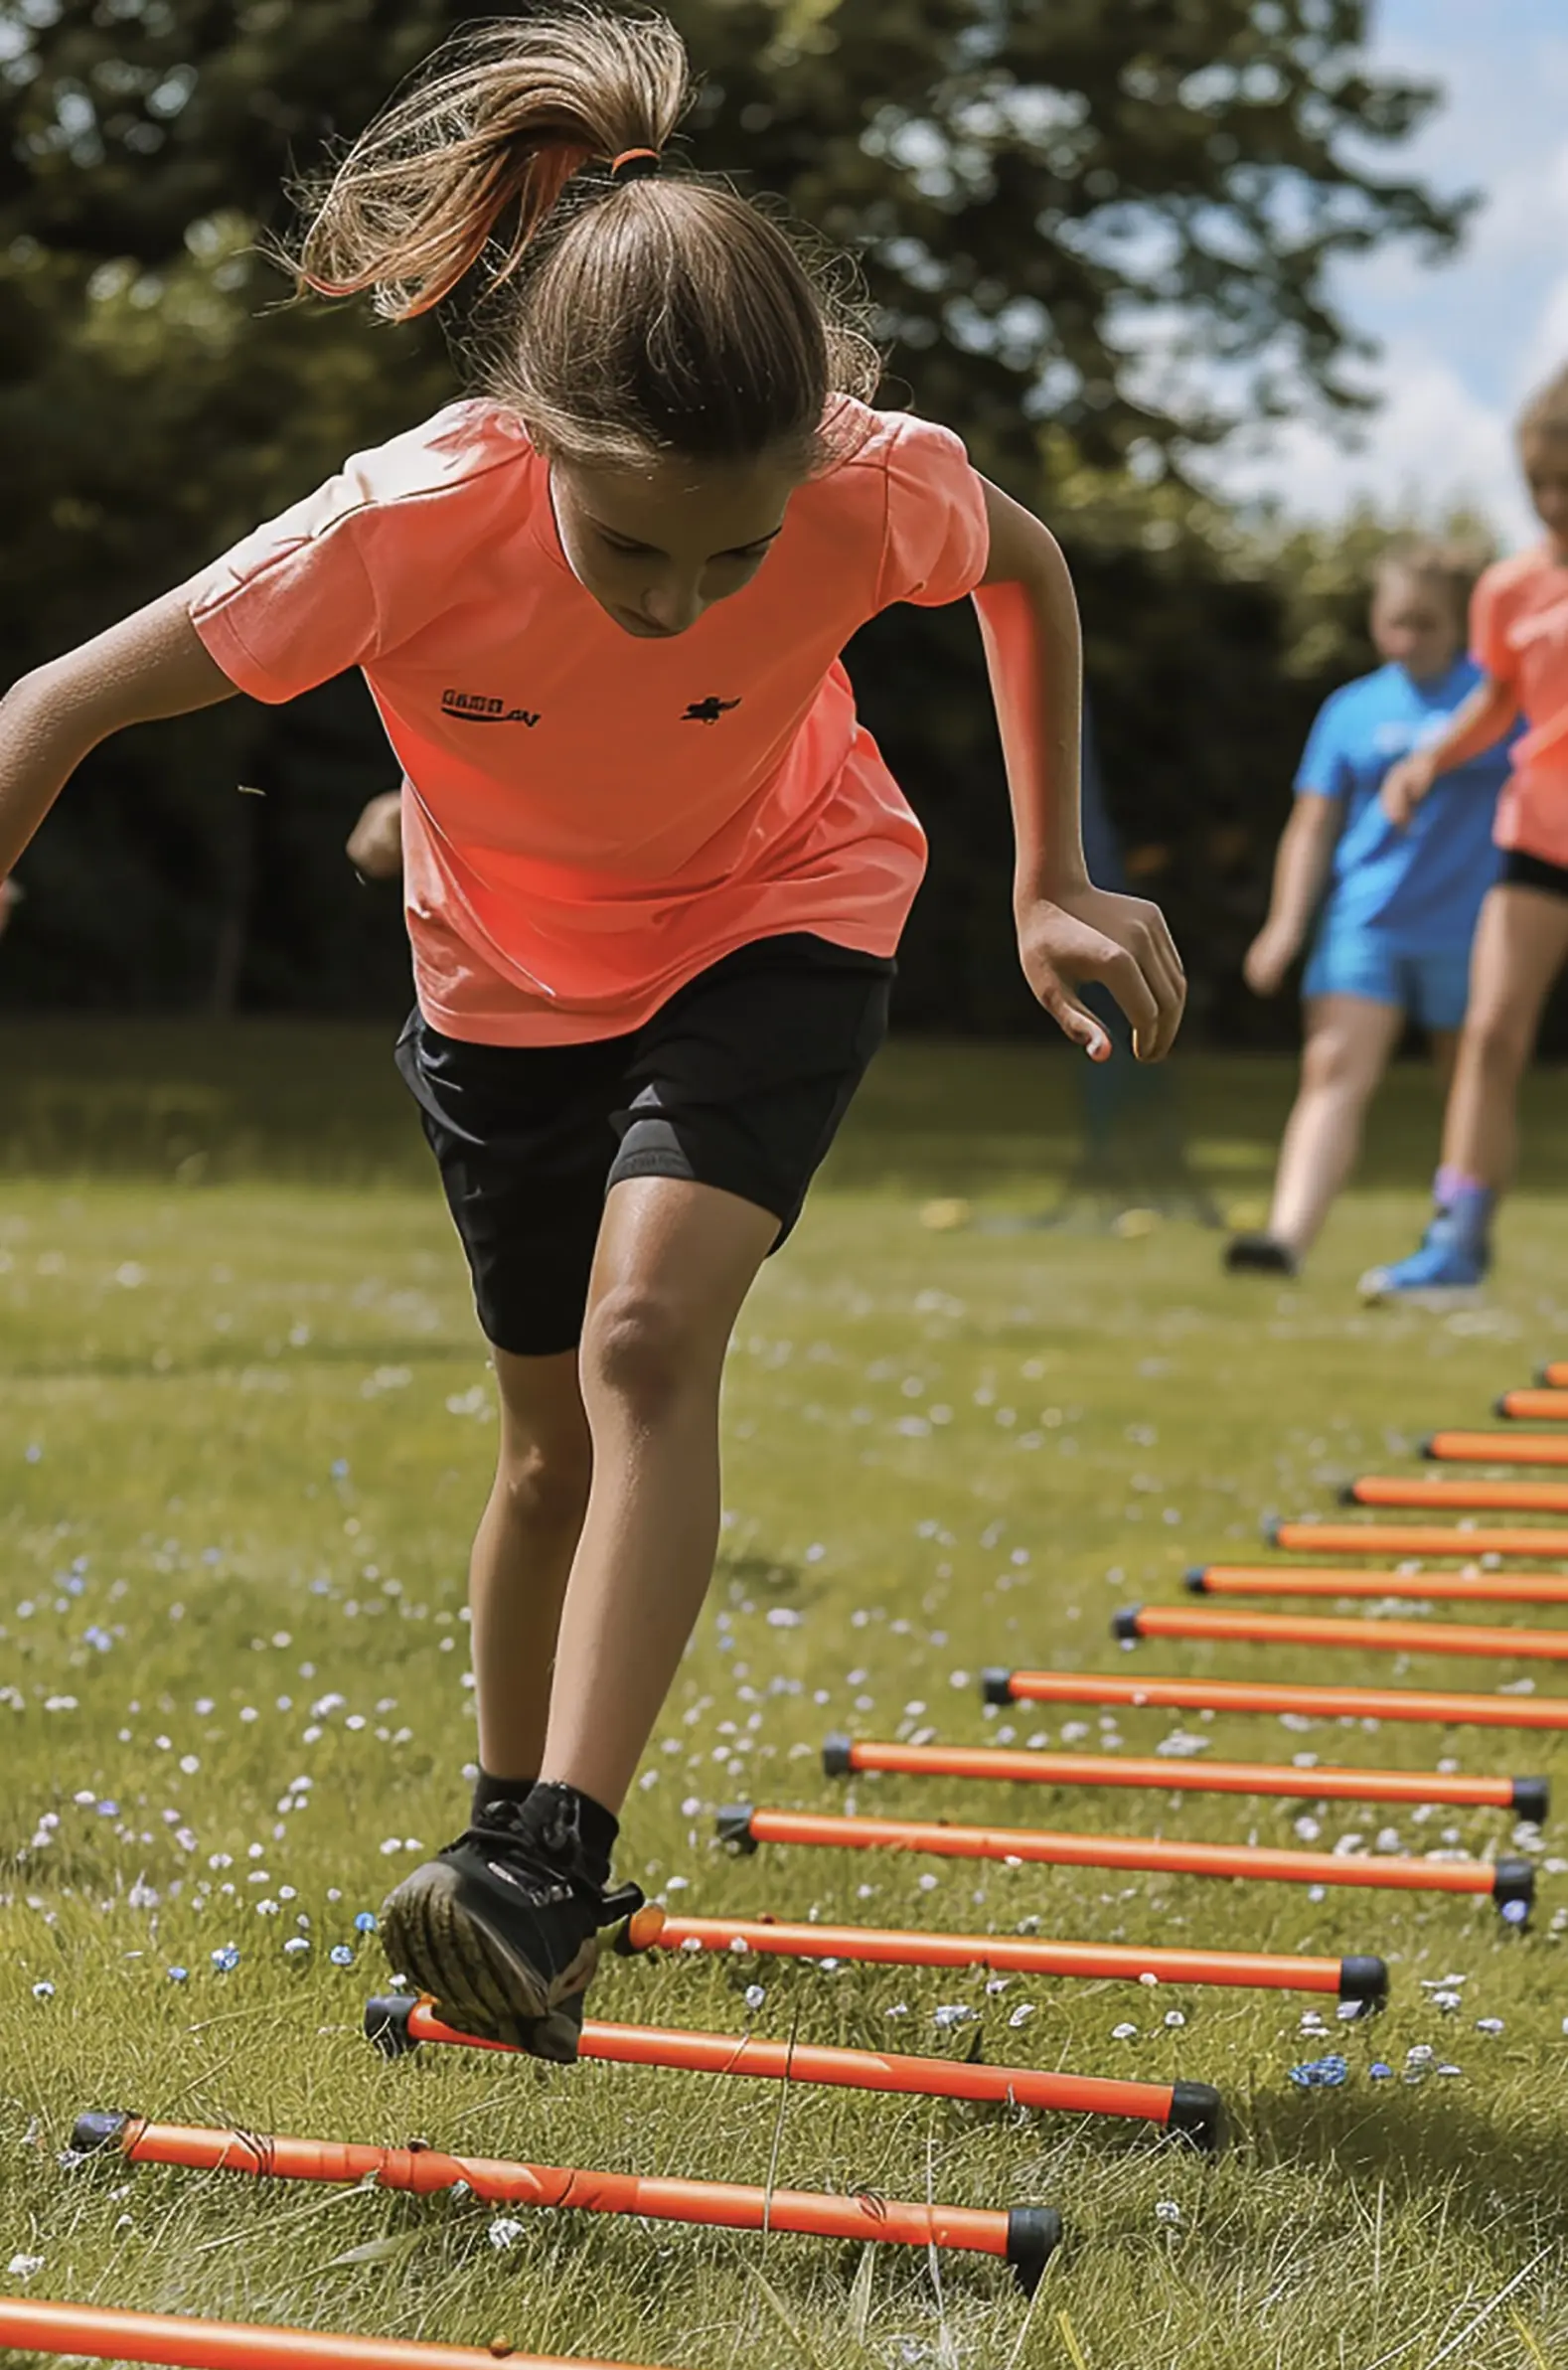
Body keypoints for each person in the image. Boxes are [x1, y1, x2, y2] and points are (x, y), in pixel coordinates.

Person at [0, 5, 1183, 2062]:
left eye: (733, 555)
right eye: (633, 545)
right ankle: (504, 1877)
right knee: (547, 1437)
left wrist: (1045, 878)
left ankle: (557, 1853)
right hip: (502, 991)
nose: (680, 598)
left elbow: (1029, 568)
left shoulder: (864, 484)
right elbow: (49, 705)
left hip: (783, 907)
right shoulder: (394, 524)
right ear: (531, 443)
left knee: (650, 1337)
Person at [1225, 545, 1508, 1277]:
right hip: (1367, 921)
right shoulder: (1351, 708)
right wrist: (1286, 923)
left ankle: (1457, 1241)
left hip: (1474, 925)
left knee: (1470, 1086)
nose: (1409, 638)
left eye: (1427, 622)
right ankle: (1286, 1237)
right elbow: (1312, 825)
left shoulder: (1499, 701)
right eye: (1395, 622)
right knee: (1331, 1067)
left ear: (1464, 624)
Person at [1362, 368, 1568, 1296]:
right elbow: (1496, 702)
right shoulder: (1511, 588)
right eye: (1541, 485)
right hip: (1540, 833)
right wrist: (1428, 762)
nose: (1556, 503)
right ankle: (1458, 1239)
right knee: (1488, 1033)